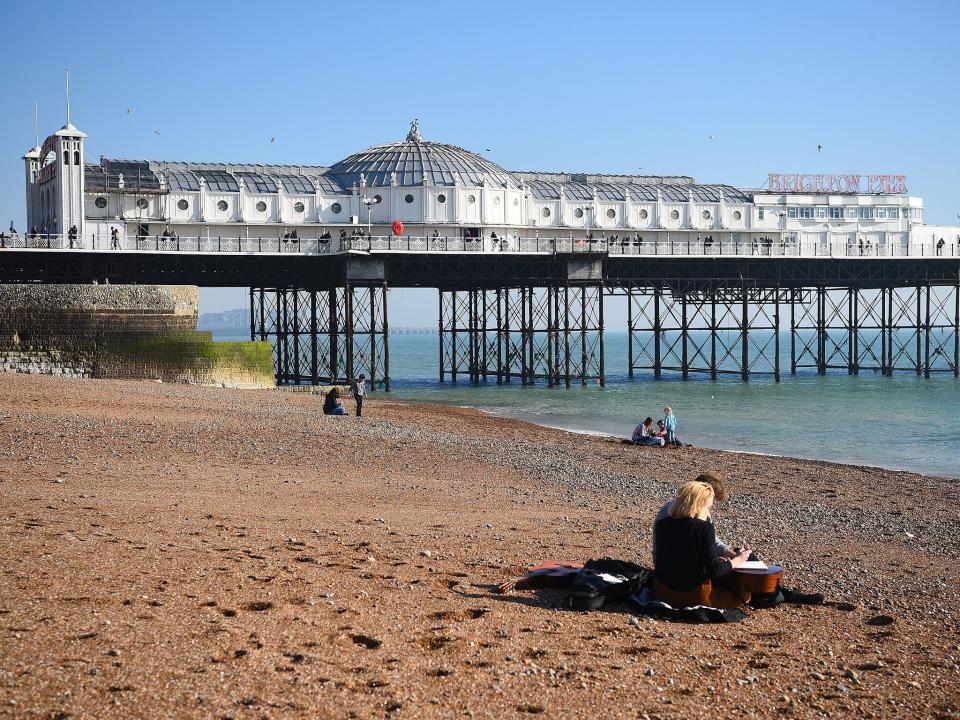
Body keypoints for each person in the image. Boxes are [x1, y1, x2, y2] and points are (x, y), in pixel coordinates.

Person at [651, 481, 753, 609]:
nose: (708, 512)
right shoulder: (704, 528)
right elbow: (714, 571)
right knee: (745, 595)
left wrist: (716, 561)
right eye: (708, 507)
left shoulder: (662, 524)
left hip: (661, 592)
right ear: (699, 505)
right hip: (693, 595)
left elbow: (679, 556)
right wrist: (738, 560)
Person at [652, 471, 734, 560]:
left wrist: (731, 553)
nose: (711, 504)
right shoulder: (670, 512)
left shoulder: (702, 513)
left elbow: (711, 541)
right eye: (711, 498)